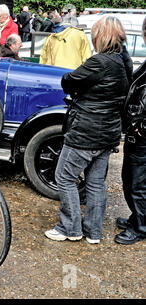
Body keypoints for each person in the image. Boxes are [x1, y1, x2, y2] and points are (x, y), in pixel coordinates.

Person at [45, 16, 133, 244]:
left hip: (86, 132)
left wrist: (71, 79)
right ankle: (93, 232)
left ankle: (70, 228)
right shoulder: (124, 61)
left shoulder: (100, 62)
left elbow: (69, 80)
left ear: (100, 37)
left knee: (64, 177)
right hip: (108, 133)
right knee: (95, 183)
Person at [114, 17, 146, 245]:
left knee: (137, 183)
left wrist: (141, 127)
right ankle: (138, 218)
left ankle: (141, 227)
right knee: (131, 179)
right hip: (137, 130)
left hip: (142, 134)